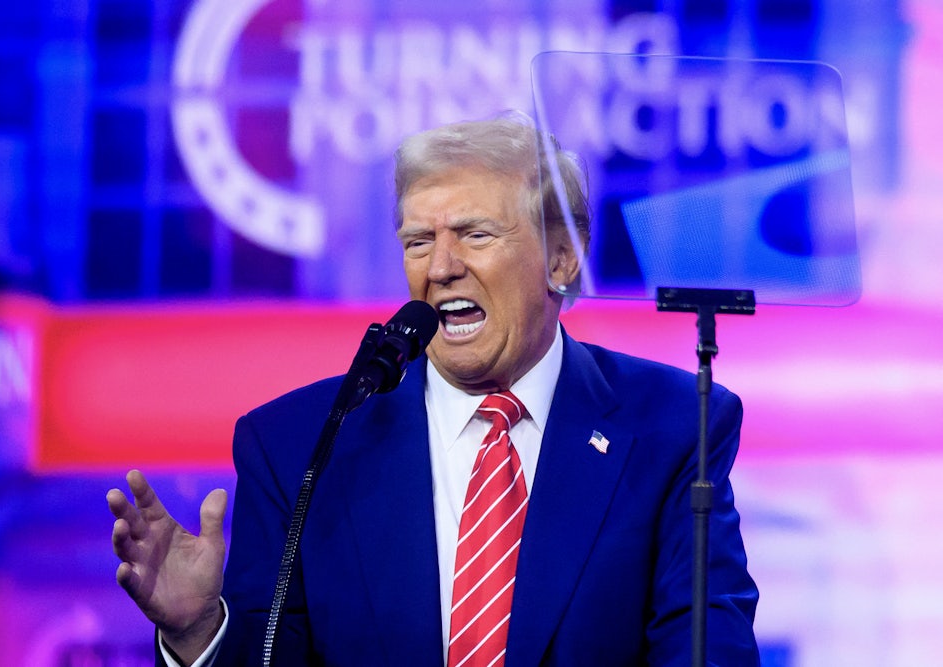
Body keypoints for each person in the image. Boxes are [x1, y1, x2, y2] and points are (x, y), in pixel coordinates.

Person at [108, 114, 759, 666]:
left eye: (474, 233)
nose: (440, 267)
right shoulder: (298, 445)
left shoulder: (672, 427)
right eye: (418, 240)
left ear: (562, 258)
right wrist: (199, 630)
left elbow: (707, 645)